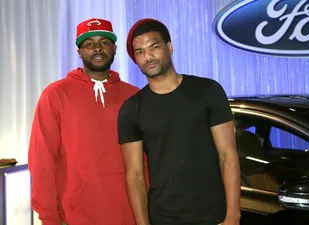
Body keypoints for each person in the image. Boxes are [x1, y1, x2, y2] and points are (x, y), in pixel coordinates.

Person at [118, 18, 241, 225]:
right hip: (163, 217)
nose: (148, 56)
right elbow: (135, 175)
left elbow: (227, 156)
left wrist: (233, 216)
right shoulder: (131, 109)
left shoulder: (208, 91)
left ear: (169, 47)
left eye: (154, 47)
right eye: (140, 52)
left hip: (214, 216)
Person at [28, 18, 140, 225]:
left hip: (130, 216)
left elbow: (148, 161)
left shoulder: (134, 96)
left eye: (104, 42)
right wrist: (49, 217)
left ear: (114, 48)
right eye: (89, 44)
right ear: (79, 51)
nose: (97, 48)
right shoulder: (55, 95)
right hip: (74, 218)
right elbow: (42, 160)